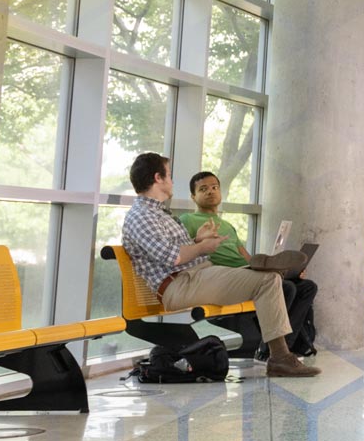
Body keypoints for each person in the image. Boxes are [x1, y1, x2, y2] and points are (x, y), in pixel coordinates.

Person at [119, 152, 320, 377]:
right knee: (268, 280)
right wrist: (202, 248)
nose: (172, 180)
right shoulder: (141, 216)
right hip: (181, 284)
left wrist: (198, 240)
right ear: (158, 178)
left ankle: (280, 351)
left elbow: (169, 251)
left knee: (271, 279)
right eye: (169, 175)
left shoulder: (157, 213)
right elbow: (171, 256)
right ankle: (280, 357)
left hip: (196, 276)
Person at [177, 171, 319, 359]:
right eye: (203, 189)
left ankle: (285, 348)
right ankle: (276, 351)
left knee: (307, 287)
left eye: (214, 187)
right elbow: (183, 252)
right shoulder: (188, 220)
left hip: (245, 271)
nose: (211, 192)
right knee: (286, 288)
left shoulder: (227, 225)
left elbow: (247, 258)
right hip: (222, 276)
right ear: (193, 197)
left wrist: (278, 270)